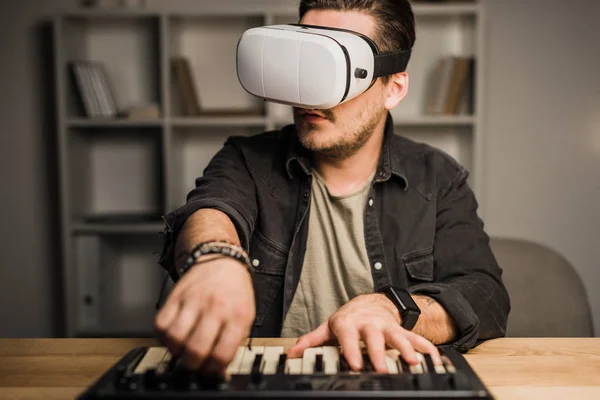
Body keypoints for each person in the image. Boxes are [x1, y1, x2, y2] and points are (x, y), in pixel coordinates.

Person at [154, 0, 510, 375]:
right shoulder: (246, 159)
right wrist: (214, 258)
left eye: (336, 69)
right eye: (308, 65)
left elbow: (484, 295)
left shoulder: (437, 177)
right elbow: (212, 209)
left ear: (393, 87)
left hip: (384, 380)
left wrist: (394, 308)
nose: (312, 97)